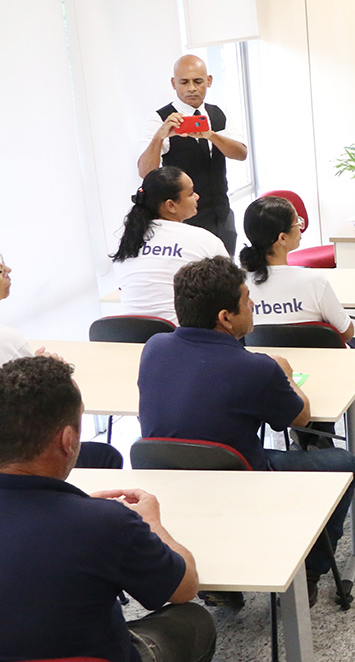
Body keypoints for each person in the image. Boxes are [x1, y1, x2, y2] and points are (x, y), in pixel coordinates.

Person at [137, 256, 355, 605]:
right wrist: (283, 372)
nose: (252, 303)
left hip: (170, 479)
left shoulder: (153, 348)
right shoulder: (257, 368)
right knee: (345, 463)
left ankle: (222, 585)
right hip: (240, 478)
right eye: (245, 299)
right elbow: (301, 418)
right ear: (225, 318)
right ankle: (311, 572)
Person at [0, 355, 215, 662]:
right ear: (68, 440)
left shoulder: (97, 520)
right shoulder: (107, 524)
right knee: (196, 620)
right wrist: (151, 522)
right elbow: (184, 587)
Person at [0, 252, 122, 469]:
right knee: (105, 456)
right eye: (1, 269)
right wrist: (50, 373)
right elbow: (51, 405)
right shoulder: (7, 339)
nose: (9, 270)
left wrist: (34, 366)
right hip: (18, 455)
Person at [137, 54, 248, 255]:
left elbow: (241, 154)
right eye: (184, 82)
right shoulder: (158, 119)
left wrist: (211, 135)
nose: (191, 88)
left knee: (226, 275)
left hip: (222, 214)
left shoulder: (221, 114)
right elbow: (145, 172)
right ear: (173, 83)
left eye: (198, 81)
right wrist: (160, 136)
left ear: (209, 81)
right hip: (183, 221)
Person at [111, 167, 227, 325]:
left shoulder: (128, 242)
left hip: (129, 338)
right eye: (191, 193)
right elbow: (229, 291)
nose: (197, 197)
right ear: (171, 205)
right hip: (180, 339)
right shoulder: (204, 240)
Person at [240, 195, 355, 341]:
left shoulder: (240, 285)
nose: (301, 227)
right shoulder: (315, 282)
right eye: (297, 223)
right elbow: (347, 333)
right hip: (320, 361)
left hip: (266, 361)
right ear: (282, 238)